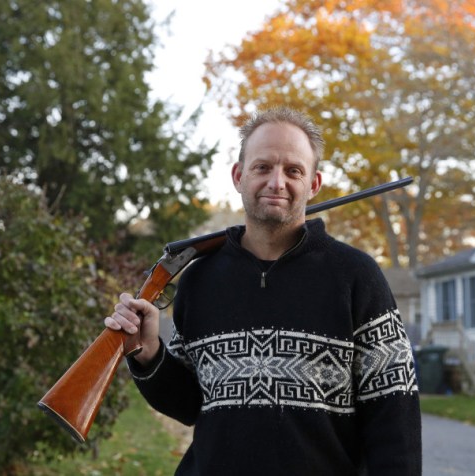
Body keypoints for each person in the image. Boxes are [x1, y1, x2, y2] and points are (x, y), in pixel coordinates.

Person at [105, 106, 422, 475]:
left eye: (293, 170)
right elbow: (190, 405)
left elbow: (394, 417)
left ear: (314, 183)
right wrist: (150, 353)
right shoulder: (198, 278)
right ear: (239, 176)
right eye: (262, 167)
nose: (277, 183)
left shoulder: (356, 276)